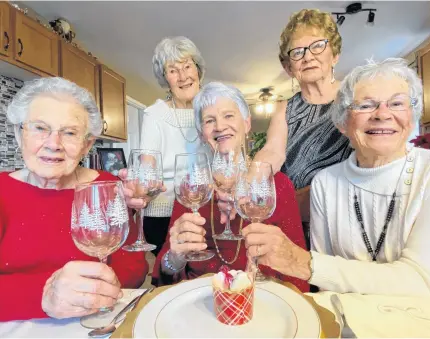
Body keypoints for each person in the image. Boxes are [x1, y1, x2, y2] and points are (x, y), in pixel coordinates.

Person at [242, 58, 430, 297]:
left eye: (397, 103)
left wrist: (303, 263)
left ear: (412, 116)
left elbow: (423, 282)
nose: (382, 114)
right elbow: (326, 286)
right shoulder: (326, 183)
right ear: (342, 123)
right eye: (366, 105)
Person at [0, 77, 148, 321]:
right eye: (39, 128)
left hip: (94, 327)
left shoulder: (106, 186)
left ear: (86, 144)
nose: (53, 144)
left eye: (69, 133)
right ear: (19, 134)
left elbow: (135, 270)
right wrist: (44, 295)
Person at [152, 82, 309, 293]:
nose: (219, 126)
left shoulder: (277, 184)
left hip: (262, 300)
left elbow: (297, 272)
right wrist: (175, 257)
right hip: (199, 301)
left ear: (247, 123)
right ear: (201, 134)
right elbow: (165, 273)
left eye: (228, 116)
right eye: (209, 120)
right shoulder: (191, 187)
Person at [252, 9, 352, 241]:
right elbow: (272, 152)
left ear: (334, 54)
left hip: (339, 220)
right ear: (289, 67)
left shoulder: (353, 98)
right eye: (297, 52)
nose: (308, 57)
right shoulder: (284, 108)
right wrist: (251, 182)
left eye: (317, 46)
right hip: (292, 221)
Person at [134, 36, 208, 257]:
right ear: (165, 78)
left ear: (198, 70)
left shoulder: (212, 110)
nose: (183, 76)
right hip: (163, 214)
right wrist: (145, 185)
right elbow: (147, 165)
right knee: (173, 278)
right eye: (173, 70)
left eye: (187, 66)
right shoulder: (155, 114)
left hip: (208, 210)